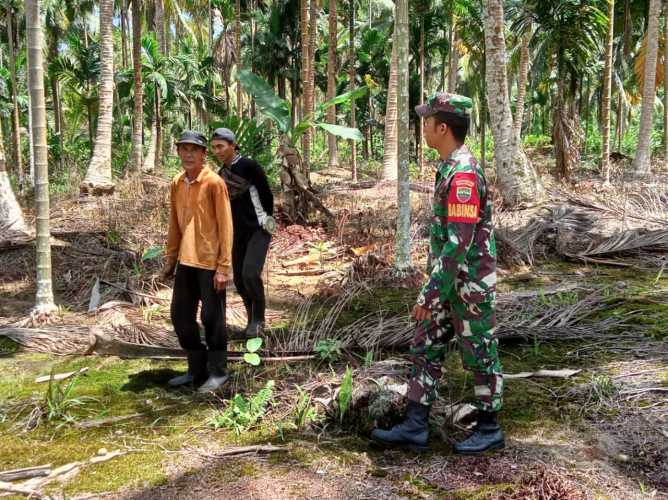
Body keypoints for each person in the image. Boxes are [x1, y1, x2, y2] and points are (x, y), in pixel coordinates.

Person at [371, 93, 503, 454]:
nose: (423, 126)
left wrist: (430, 293)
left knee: (479, 351)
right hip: (447, 281)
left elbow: (459, 243)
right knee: (425, 345)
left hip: (468, 283)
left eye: (427, 121)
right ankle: (415, 426)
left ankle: (490, 427)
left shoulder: (463, 175)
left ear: (442, 128)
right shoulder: (447, 168)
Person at [159, 130, 234, 393]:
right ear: (178, 152)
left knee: (213, 317)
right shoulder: (177, 182)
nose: (188, 154)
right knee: (180, 316)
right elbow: (174, 224)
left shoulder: (214, 183)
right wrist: (170, 259)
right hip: (185, 261)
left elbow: (226, 226)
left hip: (210, 263)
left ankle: (218, 371)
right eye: (184, 149)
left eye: (194, 150)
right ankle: (196, 367)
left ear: (204, 154)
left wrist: (224, 267)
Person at [211, 128, 274, 338]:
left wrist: (265, 220)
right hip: (237, 233)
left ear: (232, 145)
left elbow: (266, 195)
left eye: (220, 146)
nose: (217, 151)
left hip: (259, 228)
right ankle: (250, 320)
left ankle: (259, 319)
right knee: (238, 278)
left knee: (250, 273)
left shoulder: (249, 166)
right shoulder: (220, 174)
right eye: (214, 147)